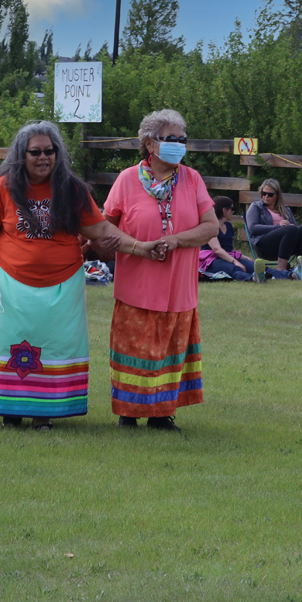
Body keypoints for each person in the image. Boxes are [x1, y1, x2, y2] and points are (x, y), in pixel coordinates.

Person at [0, 120, 157, 431]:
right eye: (36, 152)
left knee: (54, 346)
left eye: (50, 151)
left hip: (62, 287)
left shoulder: (72, 189)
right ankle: (10, 410)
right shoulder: (3, 187)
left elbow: (100, 229)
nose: (44, 158)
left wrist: (140, 247)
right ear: (21, 155)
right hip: (13, 287)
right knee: (11, 345)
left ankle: (46, 412)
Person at [103, 109, 219, 431]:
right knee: (134, 350)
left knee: (170, 351)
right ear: (150, 145)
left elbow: (211, 227)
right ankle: (128, 413)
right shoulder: (126, 180)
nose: (180, 145)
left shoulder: (192, 179)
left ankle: (161, 415)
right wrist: (139, 246)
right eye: (172, 139)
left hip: (179, 288)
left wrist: (177, 240)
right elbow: (105, 229)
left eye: (183, 139)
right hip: (136, 287)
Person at [200, 196, 290, 282]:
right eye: (232, 208)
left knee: (256, 266)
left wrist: (244, 257)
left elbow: (229, 250)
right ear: (224, 210)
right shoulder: (210, 226)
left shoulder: (229, 226)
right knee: (235, 268)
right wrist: (235, 262)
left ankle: (291, 275)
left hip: (228, 257)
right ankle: (253, 278)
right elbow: (217, 249)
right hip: (211, 260)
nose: (233, 211)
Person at [246, 178, 302, 280]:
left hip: (287, 242)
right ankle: (281, 271)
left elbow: (295, 227)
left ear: (277, 195)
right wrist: (278, 226)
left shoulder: (285, 209)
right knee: (290, 230)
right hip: (265, 244)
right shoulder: (256, 207)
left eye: (270, 194)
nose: (266, 196)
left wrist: (291, 226)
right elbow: (253, 228)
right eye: (264, 193)